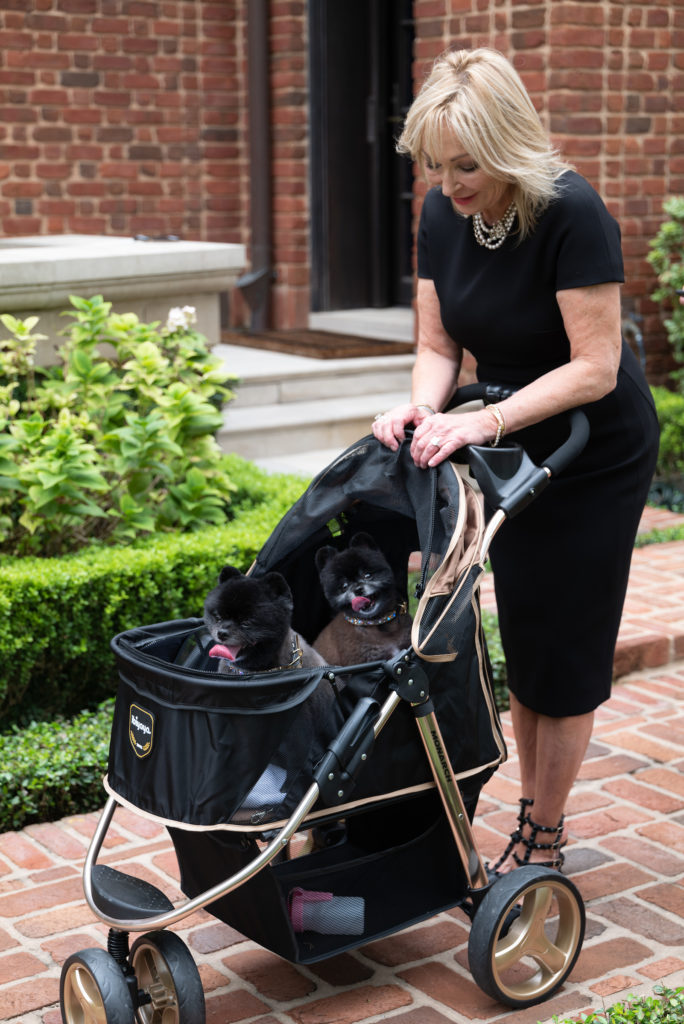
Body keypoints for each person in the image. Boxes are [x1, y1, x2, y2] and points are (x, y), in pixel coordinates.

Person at [372, 47, 660, 873]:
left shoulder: (571, 212)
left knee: (566, 642)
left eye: (467, 165)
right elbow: (437, 342)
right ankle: (536, 803)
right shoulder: (440, 213)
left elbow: (595, 367)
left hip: (592, 447)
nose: (451, 183)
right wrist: (424, 409)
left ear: (507, 146)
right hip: (509, 442)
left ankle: (543, 832)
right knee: (528, 630)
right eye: (435, 163)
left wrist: (482, 421)